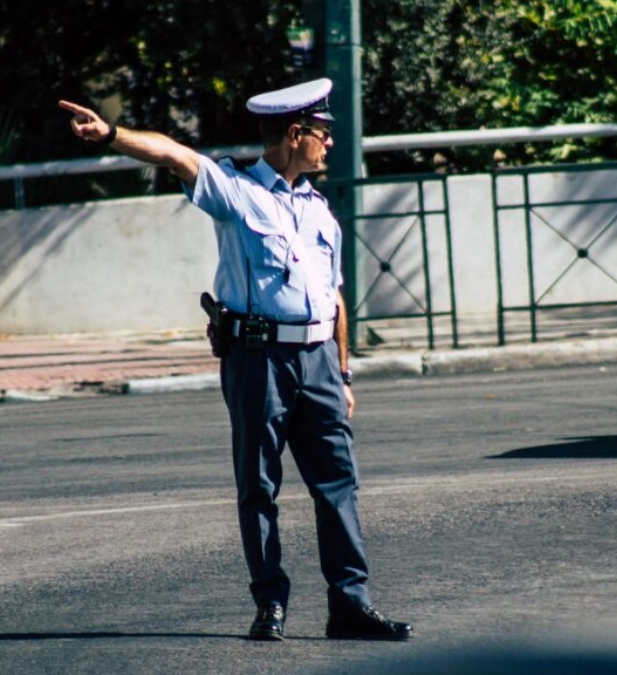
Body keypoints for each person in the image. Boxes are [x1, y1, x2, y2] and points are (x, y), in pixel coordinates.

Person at [58, 78, 412, 642]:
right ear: (295, 134)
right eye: (323, 133)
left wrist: (343, 373)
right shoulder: (237, 191)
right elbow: (174, 154)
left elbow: (335, 296)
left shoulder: (322, 211)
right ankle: (269, 603)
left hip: (319, 360)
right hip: (258, 359)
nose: (330, 144)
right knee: (259, 487)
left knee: (338, 486)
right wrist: (111, 135)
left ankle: (349, 604)